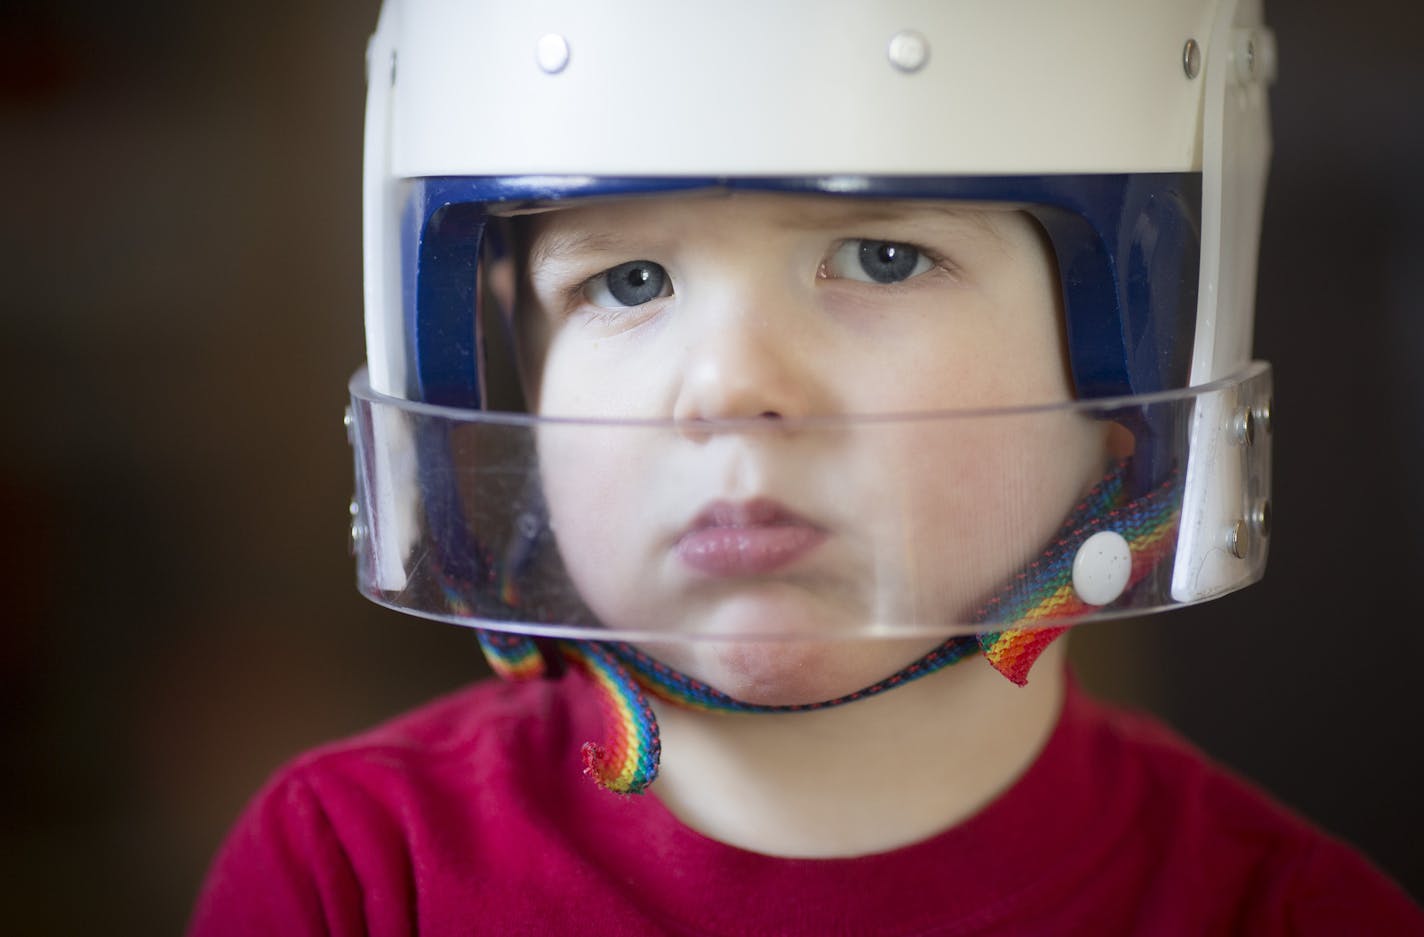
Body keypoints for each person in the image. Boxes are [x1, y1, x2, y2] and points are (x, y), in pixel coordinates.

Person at [188, 0, 1424, 933]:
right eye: (628, 281)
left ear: (1136, 371)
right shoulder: (352, 873)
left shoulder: (1281, 910)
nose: (729, 386)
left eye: (880, 257)